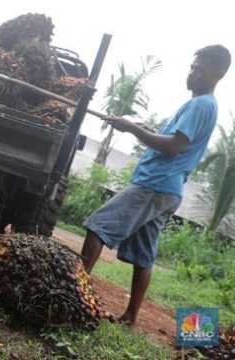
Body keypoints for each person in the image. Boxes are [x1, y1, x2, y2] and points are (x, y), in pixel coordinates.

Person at [81, 45, 231, 328]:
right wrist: (140, 126)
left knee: (98, 226)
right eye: (192, 67)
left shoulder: (201, 105)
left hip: (155, 185)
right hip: (168, 191)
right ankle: (130, 318)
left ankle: (74, 293)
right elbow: (173, 139)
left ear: (219, 74)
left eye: (200, 69)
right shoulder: (204, 105)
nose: (192, 73)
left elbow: (174, 146)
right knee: (143, 255)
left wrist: (131, 129)